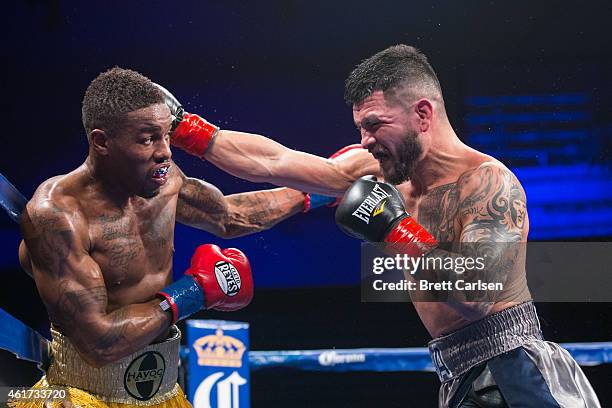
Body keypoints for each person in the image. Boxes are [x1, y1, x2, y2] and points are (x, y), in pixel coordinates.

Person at [14, 67, 374, 407]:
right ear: (101, 142)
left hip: (162, 392)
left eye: (165, 136)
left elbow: (232, 216)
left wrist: (326, 190)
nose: (165, 151)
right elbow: (99, 343)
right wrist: (194, 292)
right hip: (81, 395)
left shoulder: (164, 178)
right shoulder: (57, 216)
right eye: (147, 140)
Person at [335, 45, 600, 407]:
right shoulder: (384, 178)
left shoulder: (488, 182)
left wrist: (393, 229)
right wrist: (224, 140)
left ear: (422, 114)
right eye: (360, 128)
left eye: (374, 125)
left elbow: (477, 293)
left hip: (513, 372)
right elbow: (275, 163)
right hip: (459, 377)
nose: (364, 141)